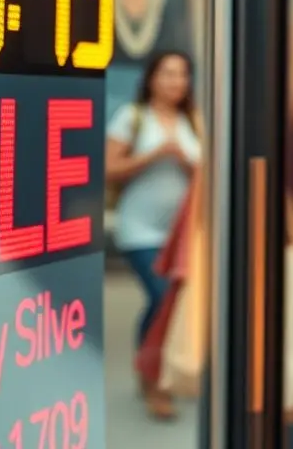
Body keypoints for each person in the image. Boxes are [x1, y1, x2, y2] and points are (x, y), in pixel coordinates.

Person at [104, 50, 200, 419]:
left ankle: (150, 363)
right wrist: (157, 154)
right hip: (140, 229)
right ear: (151, 78)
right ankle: (153, 380)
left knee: (169, 304)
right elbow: (110, 169)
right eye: (168, 74)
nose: (176, 82)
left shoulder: (193, 120)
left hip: (182, 234)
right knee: (162, 299)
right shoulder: (133, 118)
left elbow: (208, 172)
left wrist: (190, 162)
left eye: (182, 74)